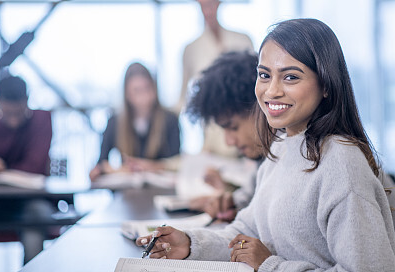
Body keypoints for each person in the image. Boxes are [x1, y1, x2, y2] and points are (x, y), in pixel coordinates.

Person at [136, 19, 395, 271]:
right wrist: (190, 244)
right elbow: (246, 231)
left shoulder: (341, 163)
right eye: (264, 75)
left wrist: (270, 265)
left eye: (291, 77)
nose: (271, 91)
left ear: (326, 84)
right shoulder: (282, 147)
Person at [185, 51, 264, 222]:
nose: (229, 142)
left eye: (233, 127)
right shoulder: (263, 162)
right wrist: (233, 204)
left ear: (261, 106)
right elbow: (251, 197)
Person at [176, 0, 254, 158]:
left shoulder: (243, 40)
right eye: (203, 5)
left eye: (211, 4)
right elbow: (182, 98)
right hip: (212, 135)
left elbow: (256, 85)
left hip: (246, 124)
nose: (208, 10)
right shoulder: (191, 49)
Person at [0, 75, 53, 264]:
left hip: (30, 201)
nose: (13, 121)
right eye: (8, 113)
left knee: (36, 218)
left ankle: (32, 268)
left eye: (17, 114)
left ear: (26, 102)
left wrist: (3, 169)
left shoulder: (42, 120)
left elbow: (35, 166)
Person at [90, 62, 180, 181]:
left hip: (160, 190)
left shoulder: (170, 119)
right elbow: (102, 162)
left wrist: (150, 167)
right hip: (125, 191)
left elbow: (175, 162)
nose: (144, 96)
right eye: (137, 91)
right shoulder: (114, 122)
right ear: (127, 94)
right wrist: (100, 170)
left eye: (147, 88)